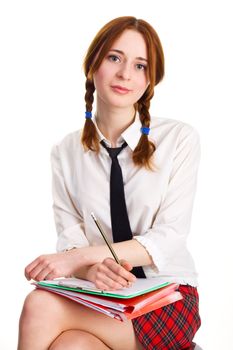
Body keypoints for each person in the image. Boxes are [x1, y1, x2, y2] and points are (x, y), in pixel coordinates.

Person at [17, 16, 201, 350]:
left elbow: (169, 238)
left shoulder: (179, 139)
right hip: (104, 295)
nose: (125, 74)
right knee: (70, 345)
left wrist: (77, 261)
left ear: (151, 79)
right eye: (115, 58)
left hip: (167, 295)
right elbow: (71, 238)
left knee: (40, 305)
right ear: (93, 64)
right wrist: (90, 271)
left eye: (141, 65)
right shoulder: (66, 152)